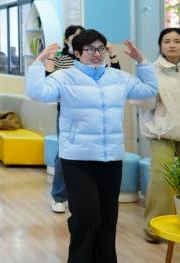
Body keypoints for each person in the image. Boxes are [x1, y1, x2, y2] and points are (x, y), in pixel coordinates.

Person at [26, 29, 157, 263]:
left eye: (100, 49)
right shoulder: (64, 77)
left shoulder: (118, 77)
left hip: (111, 158)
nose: (96, 54)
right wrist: (38, 64)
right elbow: (37, 93)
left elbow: (149, 90)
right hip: (77, 159)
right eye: (90, 49)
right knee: (87, 215)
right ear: (77, 53)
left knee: (108, 218)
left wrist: (142, 62)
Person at [44, 25, 121, 214]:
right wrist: (49, 59)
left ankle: (87, 198)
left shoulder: (97, 61)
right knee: (65, 155)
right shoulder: (63, 60)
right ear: (67, 41)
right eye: (75, 36)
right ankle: (59, 196)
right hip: (70, 115)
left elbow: (116, 75)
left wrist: (112, 53)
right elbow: (49, 82)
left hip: (96, 117)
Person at [141, 27, 180, 243]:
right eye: (167, 41)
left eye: (177, 41)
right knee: (161, 180)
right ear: (160, 45)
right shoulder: (152, 70)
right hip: (161, 132)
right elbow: (142, 102)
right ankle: (153, 226)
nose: (172, 45)